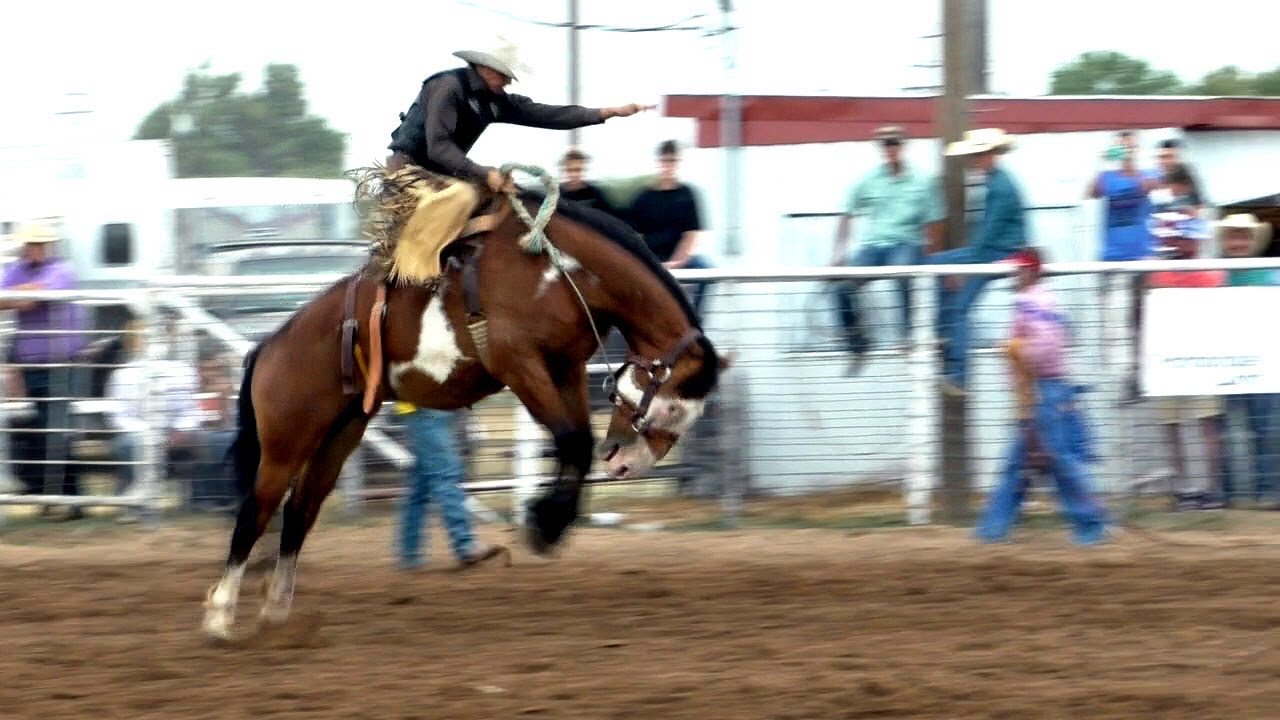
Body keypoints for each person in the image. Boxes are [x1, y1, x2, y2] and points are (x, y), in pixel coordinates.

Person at [386, 40, 652, 192]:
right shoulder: (447, 88)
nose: (508, 83)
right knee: (460, 207)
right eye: (504, 75)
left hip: (448, 177)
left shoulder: (495, 101)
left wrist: (606, 113)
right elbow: (439, 147)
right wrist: (484, 173)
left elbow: (544, 115)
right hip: (409, 173)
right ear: (484, 68)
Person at [975, 248, 1108, 545]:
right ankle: (992, 530)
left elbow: (1044, 347)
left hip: (1042, 389)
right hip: (1042, 389)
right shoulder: (1037, 301)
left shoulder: (1033, 302)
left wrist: (1015, 350)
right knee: (1029, 462)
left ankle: (1092, 525)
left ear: (1031, 272)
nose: (1012, 276)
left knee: (1056, 460)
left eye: (1017, 270)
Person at [830, 126, 943, 371]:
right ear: (881, 149)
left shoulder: (923, 181)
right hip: (874, 245)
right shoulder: (869, 180)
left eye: (895, 144)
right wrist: (838, 255)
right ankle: (858, 344)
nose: (891, 149)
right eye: (886, 145)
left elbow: (934, 221)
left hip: (906, 241)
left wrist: (931, 253)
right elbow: (847, 213)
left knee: (902, 272)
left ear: (903, 146)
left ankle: (909, 336)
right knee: (841, 287)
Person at [928, 128, 1028, 395]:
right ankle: (947, 336)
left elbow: (986, 238)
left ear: (990, 155)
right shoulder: (998, 181)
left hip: (999, 254)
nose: (974, 161)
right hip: (994, 251)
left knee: (955, 299)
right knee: (938, 266)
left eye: (978, 155)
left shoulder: (1000, 188)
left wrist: (962, 269)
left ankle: (956, 367)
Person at [0, 223, 87, 519]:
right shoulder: (19, 270)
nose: (35, 249)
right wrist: (21, 295)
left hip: (60, 362)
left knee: (57, 431)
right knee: (44, 431)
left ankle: (72, 499)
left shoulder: (61, 270)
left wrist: (19, 294)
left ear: (47, 246)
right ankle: (55, 495)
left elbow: (31, 298)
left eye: (39, 244)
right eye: (31, 245)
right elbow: (6, 300)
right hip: (34, 364)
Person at [1145, 213, 1229, 508]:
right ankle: (1184, 490)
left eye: (1185, 237)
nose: (1181, 242)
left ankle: (1212, 489)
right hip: (1167, 359)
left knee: (1205, 425)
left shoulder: (1208, 271)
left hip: (1202, 359)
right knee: (1174, 427)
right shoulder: (1158, 272)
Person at [1214, 213, 1277, 506]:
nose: (1238, 242)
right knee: (1224, 431)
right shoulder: (1215, 277)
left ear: (1253, 241)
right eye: (1233, 236)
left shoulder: (1273, 276)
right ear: (1225, 242)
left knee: (1264, 430)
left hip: (1264, 367)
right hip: (1222, 366)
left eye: (1243, 236)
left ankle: (1267, 492)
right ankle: (1229, 494)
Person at [395, 402, 506, 570]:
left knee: (421, 485)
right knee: (446, 474)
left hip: (424, 408)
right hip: (427, 405)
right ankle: (465, 545)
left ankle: (409, 552)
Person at [628, 140, 715, 317]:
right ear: (659, 162)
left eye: (672, 161)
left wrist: (676, 264)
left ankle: (694, 319)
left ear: (678, 163)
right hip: (653, 258)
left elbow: (691, 235)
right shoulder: (644, 198)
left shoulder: (688, 194)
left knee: (708, 269)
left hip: (682, 259)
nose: (668, 166)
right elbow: (638, 239)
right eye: (665, 161)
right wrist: (654, 265)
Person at [558, 147, 621, 219]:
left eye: (578, 170)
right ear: (564, 170)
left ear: (584, 170)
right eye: (569, 170)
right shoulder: (556, 196)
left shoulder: (595, 195)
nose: (574, 174)